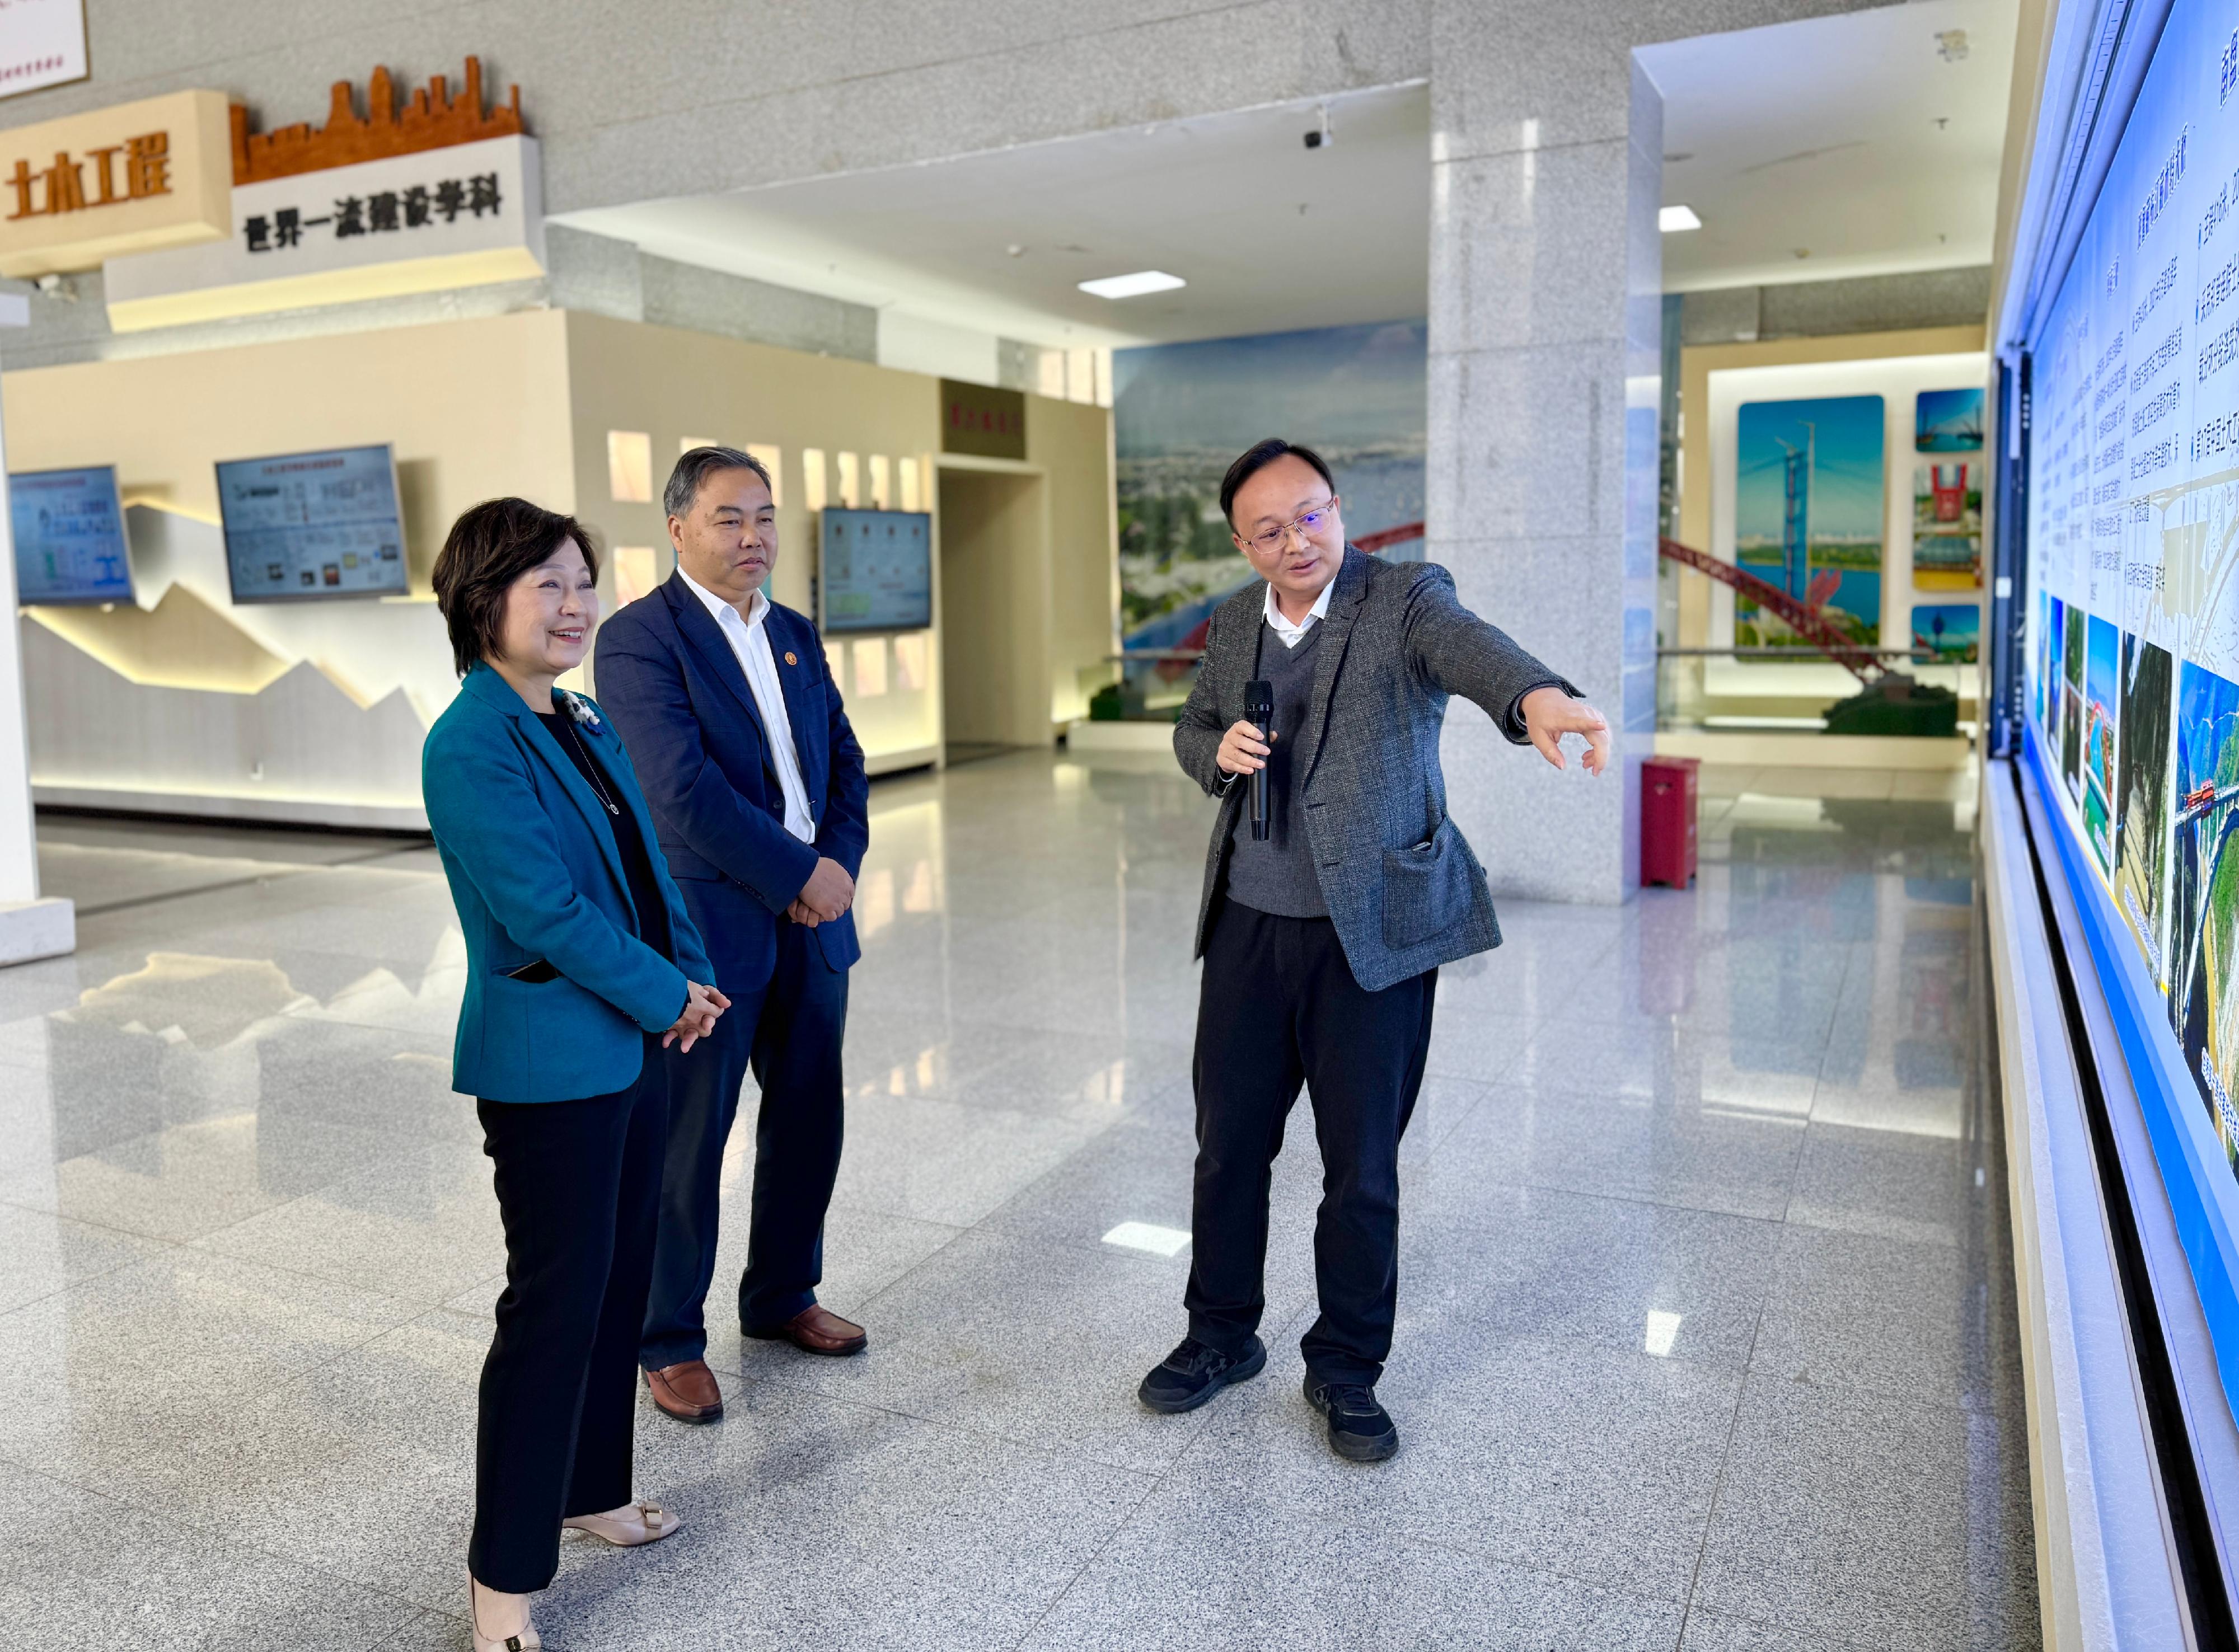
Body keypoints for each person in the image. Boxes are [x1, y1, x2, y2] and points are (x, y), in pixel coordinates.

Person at [1139, 438, 1610, 1463]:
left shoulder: (1402, 600)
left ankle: (1346, 1366)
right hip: (1249, 931)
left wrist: (1537, 702)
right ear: (1243, 543)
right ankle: (1219, 1336)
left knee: (1362, 1171)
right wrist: (1209, 755)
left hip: (1374, 941)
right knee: (1228, 1152)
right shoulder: (1230, 628)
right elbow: (1193, 729)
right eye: (1270, 529)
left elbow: (1473, 650)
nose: (1296, 540)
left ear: (1337, 508)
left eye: (1311, 515)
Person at [422, 497, 729, 1652]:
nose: (574, 605)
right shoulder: (466, 743)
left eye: (582, 582)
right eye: (545, 584)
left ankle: (592, 1491)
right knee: (552, 1309)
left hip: (636, 1044)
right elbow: (540, 911)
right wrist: (661, 993)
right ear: (478, 600)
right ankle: (502, 1582)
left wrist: (687, 979)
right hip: (552, 1063)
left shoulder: (581, 718)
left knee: (617, 1284)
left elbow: (647, 867)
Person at [595, 445, 872, 1425]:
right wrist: (801, 874)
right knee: (688, 1139)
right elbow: (680, 793)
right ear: (677, 529)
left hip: (814, 927)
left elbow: (842, 758)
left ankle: (782, 1295)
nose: (753, 536)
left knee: (808, 1121)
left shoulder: (794, 630)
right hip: (710, 934)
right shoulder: (638, 640)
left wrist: (833, 870)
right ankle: (667, 1337)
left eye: (764, 517)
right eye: (729, 518)